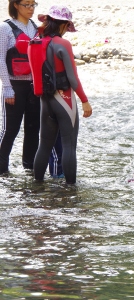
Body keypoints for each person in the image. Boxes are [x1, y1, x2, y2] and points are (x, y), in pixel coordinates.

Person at [32, 5, 92, 184]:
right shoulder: (63, 44)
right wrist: (84, 101)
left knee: (44, 145)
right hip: (64, 99)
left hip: (45, 99)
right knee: (68, 145)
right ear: (65, 25)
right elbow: (73, 79)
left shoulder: (35, 42)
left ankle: (37, 186)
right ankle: (71, 189)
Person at [0, 0, 41, 174]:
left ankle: (29, 167)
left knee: (33, 128)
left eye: (33, 4)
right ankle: (2, 169)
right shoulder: (5, 28)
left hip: (34, 86)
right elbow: (1, 59)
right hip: (14, 85)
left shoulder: (36, 28)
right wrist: (7, 87)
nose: (31, 9)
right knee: (10, 129)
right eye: (27, 5)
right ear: (15, 5)